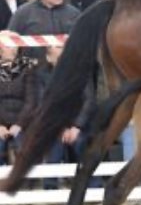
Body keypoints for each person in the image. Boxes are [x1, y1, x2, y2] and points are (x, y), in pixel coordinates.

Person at [36, 45, 97, 189]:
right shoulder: (41, 76)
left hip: (80, 125)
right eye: (59, 57)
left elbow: (89, 101)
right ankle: (50, 189)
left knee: (82, 144)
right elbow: (44, 105)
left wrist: (76, 127)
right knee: (53, 147)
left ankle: (94, 187)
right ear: (49, 58)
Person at [7, 0, 80, 62]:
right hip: (33, 68)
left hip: (67, 67)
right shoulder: (23, 13)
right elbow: (10, 41)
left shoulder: (74, 13)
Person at [0, 40, 37, 166]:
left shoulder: (27, 69)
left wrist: (18, 125)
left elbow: (31, 102)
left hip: (22, 123)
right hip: (1, 123)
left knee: (22, 147)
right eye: (8, 46)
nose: (12, 49)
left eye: (14, 46)